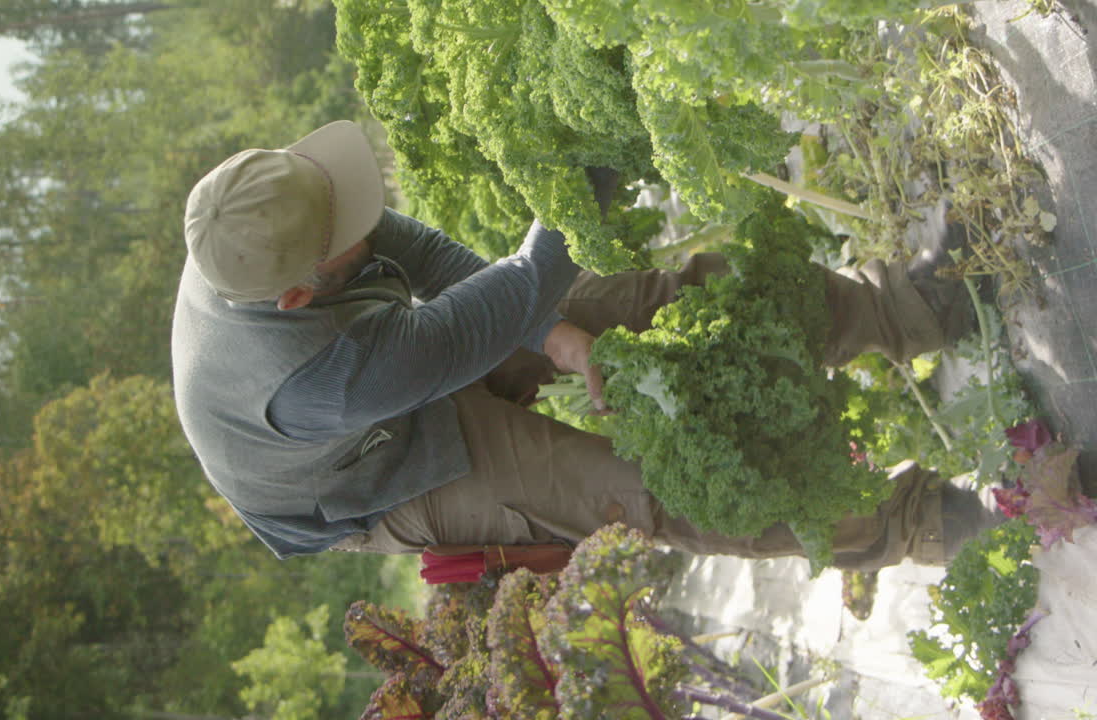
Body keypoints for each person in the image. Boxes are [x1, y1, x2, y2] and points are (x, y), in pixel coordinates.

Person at [171, 120, 997, 572]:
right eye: (346, 228)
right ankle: (907, 524)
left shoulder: (261, 220)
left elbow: (445, 268)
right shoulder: (325, 380)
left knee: (623, 299)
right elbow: (494, 302)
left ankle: (909, 311)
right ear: (295, 294)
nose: (361, 214)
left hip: (387, 368)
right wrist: (595, 154)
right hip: (380, 476)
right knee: (639, 491)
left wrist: (562, 336)